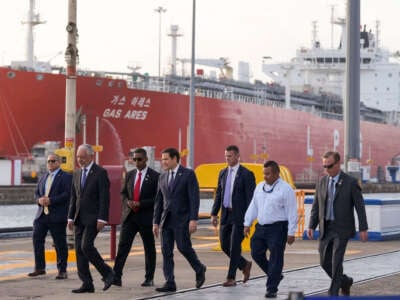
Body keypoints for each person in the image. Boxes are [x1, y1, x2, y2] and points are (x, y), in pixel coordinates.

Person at [307, 151, 368, 296]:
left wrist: (363, 227)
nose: (326, 169)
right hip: (325, 227)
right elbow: (316, 206)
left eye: (329, 166)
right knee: (324, 262)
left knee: (336, 261)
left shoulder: (351, 182)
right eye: (324, 166)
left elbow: (360, 206)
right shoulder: (322, 182)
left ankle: (333, 293)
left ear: (338, 163)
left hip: (342, 229)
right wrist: (311, 225)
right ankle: (345, 281)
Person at [153, 147, 206, 292]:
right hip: (166, 221)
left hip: (182, 219)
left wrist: (193, 219)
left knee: (183, 247)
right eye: (162, 159)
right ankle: (170, 282)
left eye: (166, 159)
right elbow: (159, 201)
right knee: (166, 251)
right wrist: (155, 222)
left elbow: (194, 198)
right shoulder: (162, 176)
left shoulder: (188, 175)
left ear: (175, 158)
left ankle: (199, 268)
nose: (163, 161)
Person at [244, 160, 298, 298]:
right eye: (264, 173)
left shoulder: (286, 189)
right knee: (256, 252)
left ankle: (271, 288)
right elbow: (253, 206)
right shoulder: (259, 187)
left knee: (276, 257)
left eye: (267, 174)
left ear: (276, 174)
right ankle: (275, 275)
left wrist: (291, 232)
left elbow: (292, 212)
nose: (265, 176)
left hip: (278, 228)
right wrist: (247, 223)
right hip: (261, 227)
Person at [68, 144, 115, 293]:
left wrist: (102, 218)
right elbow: (74, 197)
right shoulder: (76, 173)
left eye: (83, 157)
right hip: (79, 218)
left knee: (86, 246)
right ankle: (87, 283)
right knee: (79, 251)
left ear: (91, 157)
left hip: (94, 218)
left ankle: (107, 272)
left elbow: (104, 198)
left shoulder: (100, 173)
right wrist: (70, 217)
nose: (80, 160)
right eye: (78, 157)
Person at [112, 148, 159, 287]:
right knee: (122, 247)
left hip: (146, 218)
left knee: (149, 249)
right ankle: (116, 276)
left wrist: (141, 204)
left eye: (139, 159)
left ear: (146, 159)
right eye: (134, 159)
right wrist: (128, 201)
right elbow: (123, 193)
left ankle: (149, 278)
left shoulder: (155, 176)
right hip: (130, 217)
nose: (137, 162)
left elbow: (158, 198)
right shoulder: (130, 175)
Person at [211, 145, 256, 286]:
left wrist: (248, 221)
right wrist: (214, 213)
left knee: (235, 246)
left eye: (230, 156)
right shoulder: (222, 173)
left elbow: (251, 199)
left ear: (237, 156)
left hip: (240, 216)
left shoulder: (247, 174)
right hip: (225, 214)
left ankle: (231, 277)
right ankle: (244, 265)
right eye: (226, 156)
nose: (227, 158)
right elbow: (219, 194)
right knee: (225, 245)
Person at [28, 153, 72, 279]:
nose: (50, 163)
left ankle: (62, 270)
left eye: (53, 161)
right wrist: (39, 200)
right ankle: (40, 267)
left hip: (57, 216)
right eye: (48, 161)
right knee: (37, 239)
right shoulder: (43, 177)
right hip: (41, 215)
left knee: (59, 243)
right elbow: (36, 193)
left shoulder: (66, 177)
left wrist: (51, 200)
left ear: (59, 162)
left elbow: (67, 194)